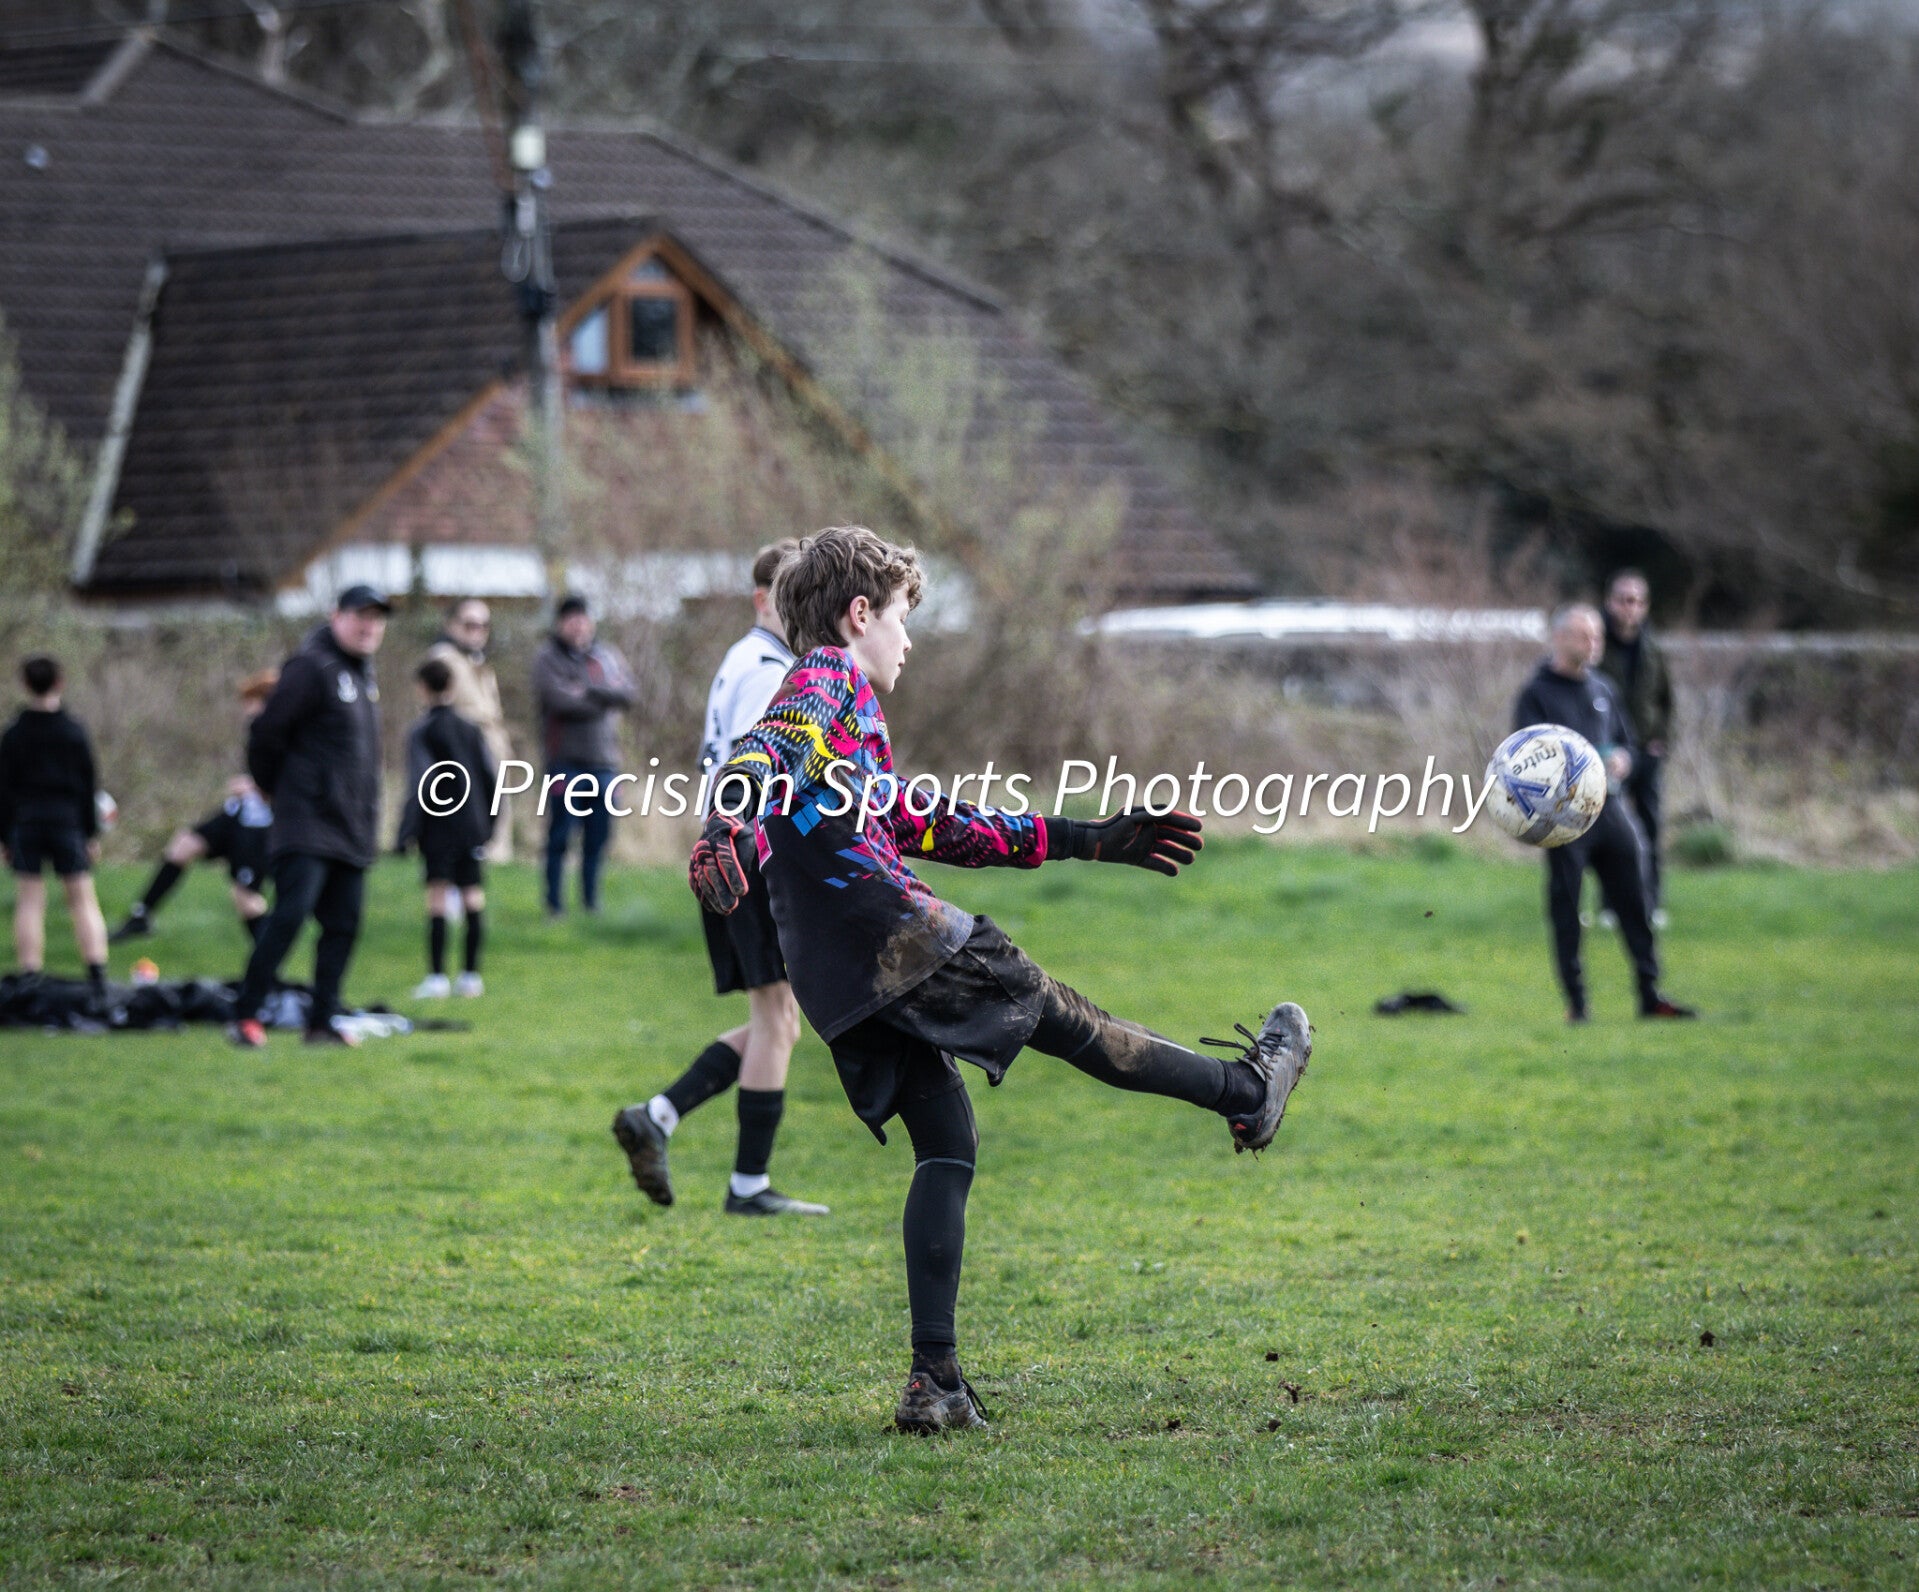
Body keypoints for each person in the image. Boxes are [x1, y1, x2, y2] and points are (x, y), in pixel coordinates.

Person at [689, 526, 1311, 1433]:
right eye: (904, 618)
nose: (910, 639)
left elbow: (932, 823)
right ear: (859, 614)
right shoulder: (826, 680)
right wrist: (723, 821)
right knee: (1072, 1021)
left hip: (834, 981)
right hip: (901, 937)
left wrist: (1087, 839)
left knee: (947, 1144)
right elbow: (764, 748)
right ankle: (1245, 1092)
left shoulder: (847, 724)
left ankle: (933, 1383)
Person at [613, 539, 829, 1217]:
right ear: (765, 597)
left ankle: (658, 1114)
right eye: (794, 593)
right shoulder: (767, 672)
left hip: (733, 857)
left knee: (780, 1022)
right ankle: (747, 1187)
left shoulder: (750, 659)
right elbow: (752, 778)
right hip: (752, 860)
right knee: (776, 1020)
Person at [1513, 605, 1695, 1025]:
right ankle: (1577, 1004)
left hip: (1610, 811)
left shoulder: (1604, 688)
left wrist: (1624, 762)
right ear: (1559, 638)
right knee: (1568, 909)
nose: (1593, 643)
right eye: (1583, 635)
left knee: (1637, 900)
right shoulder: (1537, 693)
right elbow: (1523, 759)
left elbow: (1627, 744)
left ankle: (1651, 996)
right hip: (1563, 818)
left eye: (1596, 636)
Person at [228, 585, 389, 1049]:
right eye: (360, 615)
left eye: (377, 619)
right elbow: (266, 733)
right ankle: (246, 1016)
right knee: (290, 915)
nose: (369, 626)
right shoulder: (310, 666)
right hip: (307, 822)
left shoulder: (362, 676)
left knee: (343, 925)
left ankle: (321, 1023)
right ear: (336, 615)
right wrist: (273, 789)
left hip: (350, 826)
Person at [111, 669, 279, 947]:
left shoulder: (281, 734)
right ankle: (141, 916)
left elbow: (288, 783)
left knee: (245, 897)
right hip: (239, 813)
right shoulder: (256, 731)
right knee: (184, 846)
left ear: (265, 701)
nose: (245, 709)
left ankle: (268, 965)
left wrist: (251, 787)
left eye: (250, 701)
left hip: (261, 825)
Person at [0, 655, 109, 995]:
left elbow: (3, 789)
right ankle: (97, 974)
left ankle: (30, 975)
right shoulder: (73, 732)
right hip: (67, 823)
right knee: (82, 899)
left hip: (27, 823)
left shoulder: (14, 734)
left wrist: (4, 835)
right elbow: (88, 786)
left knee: (30, 900)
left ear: (26, 684)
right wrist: (91, 833)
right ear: (60, 682)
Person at [396, 657, 496, 999]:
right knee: (472, 895)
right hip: (471, 824)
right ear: (452, 687)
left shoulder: (422, 732)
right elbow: (489, 777)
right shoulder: (472, 730)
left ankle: (437, 977)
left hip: (438, 825)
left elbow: (419, 783)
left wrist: (405, 832)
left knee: (438, 897)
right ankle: (471, 976)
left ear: (422, 688)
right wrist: (489, 824)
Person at [532, 594, 634, 916]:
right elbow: (561, 701)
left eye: (583, 618)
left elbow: (629, 693)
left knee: (598, 837)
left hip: (605, 764)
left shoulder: (607, 655)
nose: (578, 625)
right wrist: (604, 696)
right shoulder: (547, 658)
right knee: (560, 835)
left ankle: (591, 904)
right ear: (561, 623)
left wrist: (587, 689)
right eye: (571, 619)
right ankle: (554, 905)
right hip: (564, 763)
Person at [1603, 569, 1675, 923]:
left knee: (1649, 827)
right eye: (1623, 599)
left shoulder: (1652, 647)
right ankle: (1610, 905)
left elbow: (1665, 698)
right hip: (1608, 752)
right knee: (1608, 832)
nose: (1629, 607)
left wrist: (1661, 739)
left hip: (1646, 750)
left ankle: (1651, 902)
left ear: (1644, 606)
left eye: (1636, 601)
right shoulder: (1597, 643)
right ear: (1610, 602)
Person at [426, 599, 517, 863]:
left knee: (496, 824)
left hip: (491, 751)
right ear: (451, 625)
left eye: (483, 626)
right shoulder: (443, 660)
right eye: (469, 624)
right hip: (462, 755)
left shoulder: (478, 660)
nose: (477, 631)